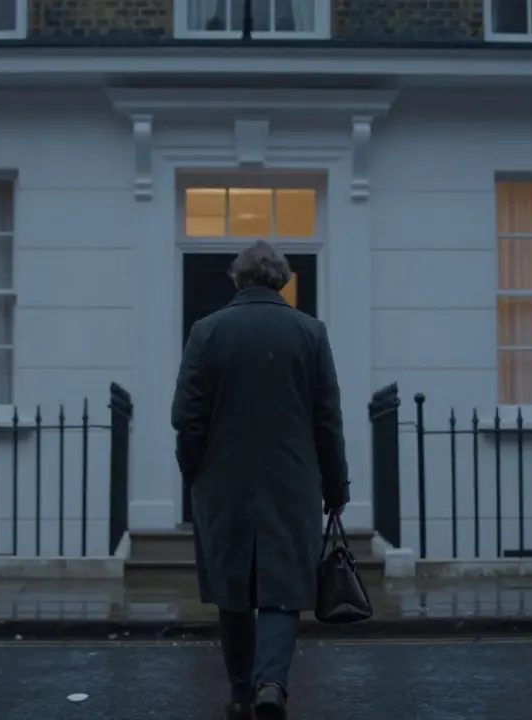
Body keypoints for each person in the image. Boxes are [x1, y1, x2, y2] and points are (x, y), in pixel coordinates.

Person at [171, 240, 350, 720]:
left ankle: (239, 691)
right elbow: (327, 419)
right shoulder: (310, 333)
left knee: (234, 588)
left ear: (237, 277)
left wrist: (194, 474)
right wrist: (336, 487)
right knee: (283, 586)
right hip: (291, 481)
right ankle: (271, 682)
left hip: (221, 483)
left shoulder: (207, 332)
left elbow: (186, 417)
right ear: (282, 280)